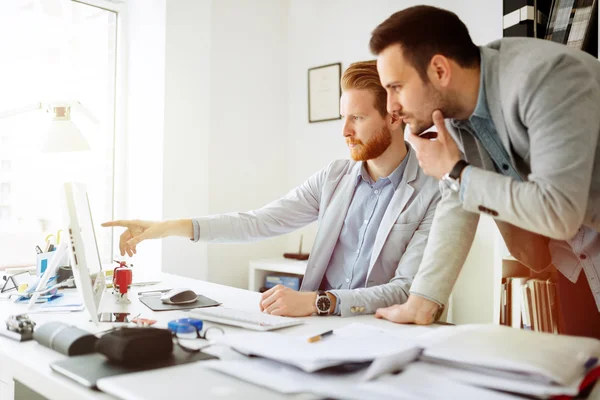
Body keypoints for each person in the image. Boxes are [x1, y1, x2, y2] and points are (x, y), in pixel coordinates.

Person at [102, 60, 441, 318]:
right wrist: (166, 228)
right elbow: (259, 221)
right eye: (343, 117)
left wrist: (319, 302)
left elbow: (406, 291)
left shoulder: (432, 190)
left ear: (394, 118)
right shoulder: (334, 177)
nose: (344, 131)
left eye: (358, 118)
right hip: (316, 328)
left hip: (375, 329)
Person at [369, 5, 600, 338]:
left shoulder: (547, 78)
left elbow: (558, 210)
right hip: (575, 266)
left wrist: (457, 172)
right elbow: (456, 201)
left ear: (439, 70)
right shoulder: (450, 113)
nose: (391, 107)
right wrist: (421, 302)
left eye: (396, 87)